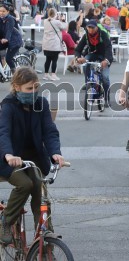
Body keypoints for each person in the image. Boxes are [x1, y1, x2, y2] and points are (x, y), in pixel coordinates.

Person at [0, 67, 65, 244]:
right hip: (11, 157)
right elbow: (3, 132)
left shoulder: (41, 103)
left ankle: (44, 236)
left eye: (36, 87)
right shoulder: (8, 105)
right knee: (25, 184)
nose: (34, 91)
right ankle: (5, 221)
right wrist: (8, 154)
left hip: (34, 157)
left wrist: (55, 153)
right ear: (16, 87)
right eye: (29, 88)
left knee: (39, 188)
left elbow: (50, 131)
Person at [74, 20, 113, 105]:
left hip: (104, 56)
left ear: (96, 27)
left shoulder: (103, 34)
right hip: (92, 55)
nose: (90, 29)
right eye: (89, 27)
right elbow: (78, 49)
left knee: (105, 77)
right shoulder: (86, 36)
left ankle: (106, 97)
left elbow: (108, 48)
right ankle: (89, 87)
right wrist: (78, 58)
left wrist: (106, 60)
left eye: (92, 27)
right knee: (85, 67)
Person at [42, 8, 67, 81]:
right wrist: (63, 20)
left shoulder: (45, 21)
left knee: (48, 59)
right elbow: (64, 28)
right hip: (54, 44)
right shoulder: (57, 22)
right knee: (54, 60)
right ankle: (53, 74)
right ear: (55, 14)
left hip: (46, 43)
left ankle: (46, 74)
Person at [0, 4, 23, 75]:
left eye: (3, 11)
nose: (1, 13)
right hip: (5, 40)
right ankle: (2, 72)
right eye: (0, 11)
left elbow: (9, 30)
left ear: (7, 12)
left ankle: (15, 75)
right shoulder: (0, 19)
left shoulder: (10, 19)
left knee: (8, 59)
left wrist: (6, 38)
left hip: (15, 41)